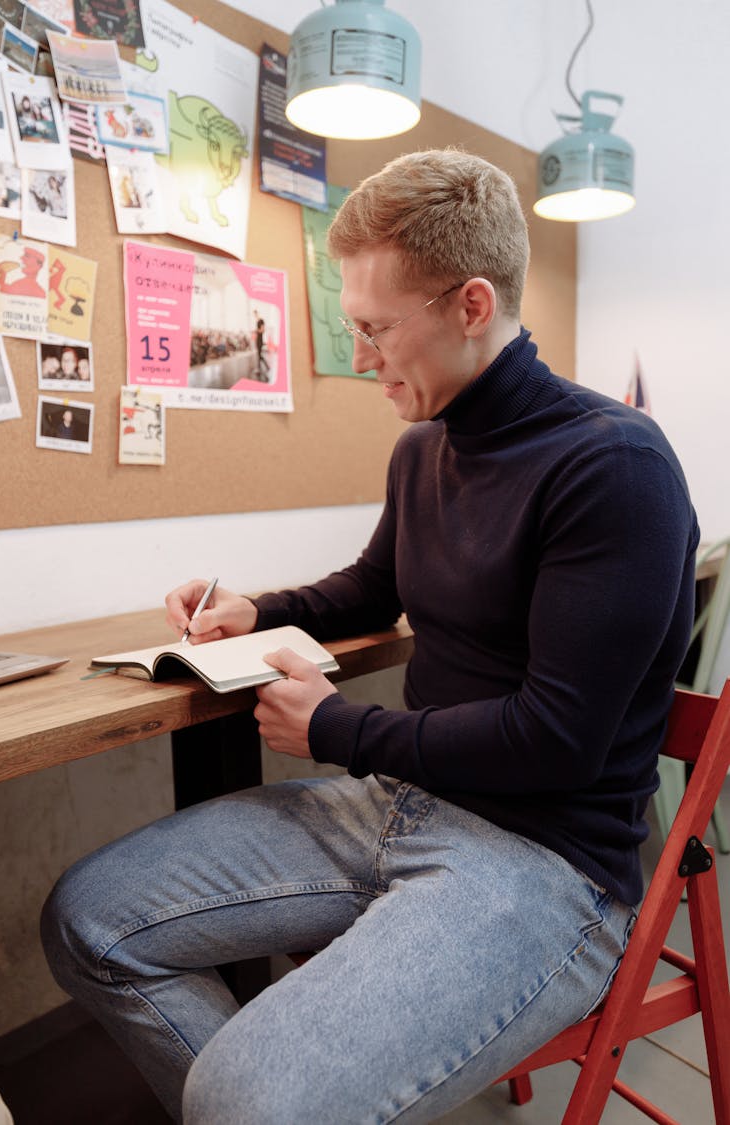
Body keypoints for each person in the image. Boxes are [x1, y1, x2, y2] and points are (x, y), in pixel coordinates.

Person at [40, 149, 699, 1124]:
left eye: (377, 329)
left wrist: (339, 729)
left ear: (472, 305)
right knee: (87, 921)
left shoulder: (613, 468)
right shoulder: (424, 446)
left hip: (545, 864)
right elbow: (373, 587)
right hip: (400, 803)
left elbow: (558, 739)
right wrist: (256, 611)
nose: (360, 358)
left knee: (244, 1097)